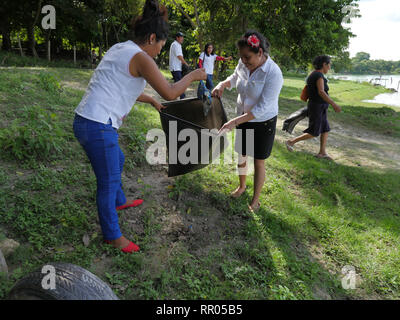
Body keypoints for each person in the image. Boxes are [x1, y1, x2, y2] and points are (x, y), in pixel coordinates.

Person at [73, 0, 206, 254]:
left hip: (86, 120)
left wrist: (151, 100)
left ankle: (119, 202)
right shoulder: (142, 58)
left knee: (118, 160)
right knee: (108, 180)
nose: (159, 52)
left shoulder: (120, 48)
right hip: (98, 126)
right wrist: (192, 76)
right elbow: (170, 91)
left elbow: (119, 87)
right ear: (152, 38)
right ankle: (113, 236)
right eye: (160, 47)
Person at [212, 31, 283, 212]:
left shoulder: (273, 73)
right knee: (242, 154)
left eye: (248, 57)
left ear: (260, 53)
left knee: (259, 160)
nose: (244, 61)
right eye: (241, 57)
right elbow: (235, 78)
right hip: (242, 116)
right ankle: (242, 186)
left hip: (263, 121)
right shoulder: (243, 62)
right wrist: (222, 84)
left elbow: (260, 109)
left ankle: (255, 200)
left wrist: (233, 123)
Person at [285, 55, 341, 160]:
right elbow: (321, 91)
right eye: (329, 65)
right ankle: (291, 142)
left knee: (325, 129)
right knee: (314, 132)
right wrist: (334, 104)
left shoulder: (315, 74)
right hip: (317, 107)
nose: (329, 68)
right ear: (324, 64)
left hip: (320, 107)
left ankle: (322, 152)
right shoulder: (318, 75)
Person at [169, 32, 190, 99]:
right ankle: (182, 97)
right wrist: (185, 64)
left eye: (182, 37)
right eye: (181, 37)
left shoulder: (178, 45)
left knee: (178, 83)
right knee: (179, 84)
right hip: (175, 67)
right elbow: (179, 56)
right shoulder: (175, 44)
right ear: (177, 38)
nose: (182, 38)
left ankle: (174, 96)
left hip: (177, 67)